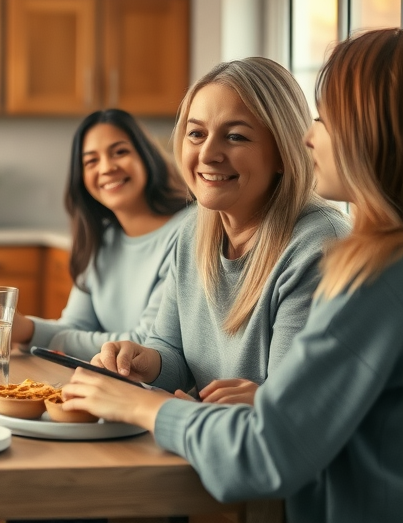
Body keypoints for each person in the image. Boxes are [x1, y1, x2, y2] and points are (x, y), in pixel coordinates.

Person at [63, 28, 403, 523]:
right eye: (196, 133)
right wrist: (150, 365)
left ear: (372, 133)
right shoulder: (194, 232)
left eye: (325, 121)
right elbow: (185, 357)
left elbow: (267, 445)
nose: (310, 136)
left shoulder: (360, 267)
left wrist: (140, 407)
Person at [79, 57, 350, 406]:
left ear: (284, 151)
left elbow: (289, 406)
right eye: (196, 134)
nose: (207, 154)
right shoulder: (192, 229)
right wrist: (144, 361)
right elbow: (172, 350)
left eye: (235, 136)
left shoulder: (319, 245)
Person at [7, 109, 191, 360]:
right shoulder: (101, 239)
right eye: (91, 161)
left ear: (146, 156)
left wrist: (51, 340)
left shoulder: (187, 230)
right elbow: (75, 325)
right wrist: (23, 329)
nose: (107, 168)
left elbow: (145, 345)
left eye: (120, 152)